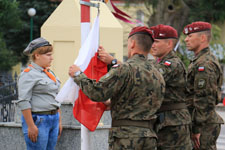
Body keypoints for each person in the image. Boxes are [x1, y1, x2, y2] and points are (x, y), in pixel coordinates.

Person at [69, 26, 165, 150]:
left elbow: (98, 92)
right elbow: (139, 98)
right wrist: (114, 103)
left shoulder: (124, 69)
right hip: (149, 137)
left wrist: (78, 75)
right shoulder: (157, 72)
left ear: (132, 43)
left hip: (126, 138)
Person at [149, 24, 192, 150]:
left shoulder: (171, 64)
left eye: (156, 41)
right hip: (164, 121)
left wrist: (116, 64)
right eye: (151, 41)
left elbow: (148, 79)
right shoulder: (157, 62)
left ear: (169, 44)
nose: (152, 45)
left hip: (174, 123)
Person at [183, 21, 224, 150]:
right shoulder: (200, 60)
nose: (186, 39)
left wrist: (197, 128)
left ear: (202, 38)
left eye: (190, 36)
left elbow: (205, 99)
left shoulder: (205, 64)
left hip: (204, 124)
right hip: (201, 121)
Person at [17, 37, 62, 150]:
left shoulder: (49, 73)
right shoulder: (28, 74)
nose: (51, 58)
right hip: (38, 119)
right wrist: (31, 126)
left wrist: (59, 120)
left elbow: (56, 97)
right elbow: (23, 101)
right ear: (37, 55)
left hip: (53, 118)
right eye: (48, 55)